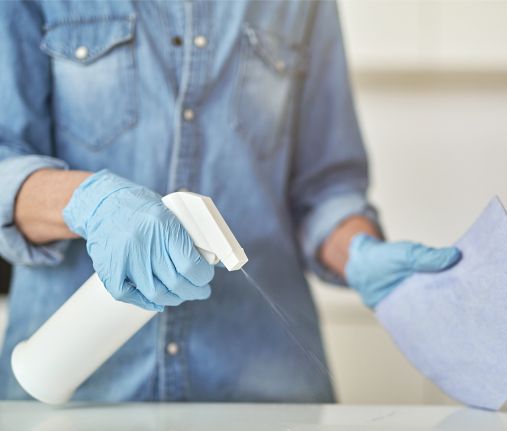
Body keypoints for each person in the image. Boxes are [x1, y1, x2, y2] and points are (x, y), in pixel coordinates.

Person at [0, 1, 460, 402]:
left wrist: (361, 254)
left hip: (263, 397)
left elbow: (325, 188)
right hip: (76, 394)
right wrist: (90, 204)